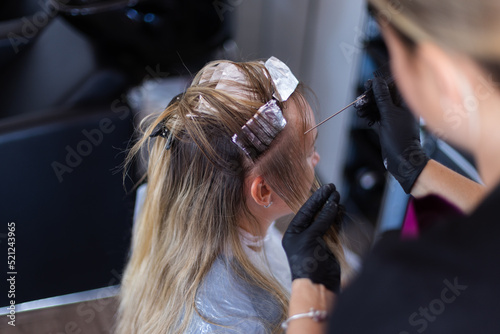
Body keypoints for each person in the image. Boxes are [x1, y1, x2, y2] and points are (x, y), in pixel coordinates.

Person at [282, 0, 500, 332]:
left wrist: (307, 307)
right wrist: (416, 169)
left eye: (395, 56)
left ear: (442, 75)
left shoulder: (407, 290)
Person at [115, 57, 351, 334]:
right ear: (263, 191)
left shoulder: (162, 206)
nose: (317, 159)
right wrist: (318, 309)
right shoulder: (239, 321)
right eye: (309, 152)